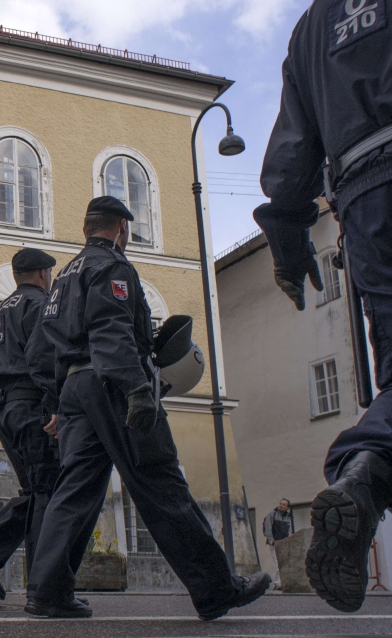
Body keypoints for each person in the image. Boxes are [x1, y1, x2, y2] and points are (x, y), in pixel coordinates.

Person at [25, 196, 270, 619]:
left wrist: (57, 402)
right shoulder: (112, 266)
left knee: (75, 488)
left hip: (75, 389)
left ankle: (47, 591)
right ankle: (216, 589)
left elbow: (41, 349)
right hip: (113, 383)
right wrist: (136, 387)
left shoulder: (64, 276)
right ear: (121, 227)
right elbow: (110, 328)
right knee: (160, 481)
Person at [253, 0, 392, 613]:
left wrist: (287, 244)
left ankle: (366, 468)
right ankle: (370, 465)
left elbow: (292, 151)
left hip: (365, 197)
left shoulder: (313, 25)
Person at [0, 247, 58, 600]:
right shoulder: (39, 305)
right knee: (47, 490)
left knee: (37, 490)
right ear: (41, 274)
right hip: (30, 405)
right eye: (49, 273)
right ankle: (40, 585)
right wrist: (54, 406)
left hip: (4, 410)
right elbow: (44, 358)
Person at [263, 499, 293, 590]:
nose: (281, 506)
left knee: (284, 562)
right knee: (276, 562)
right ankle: (277, 582)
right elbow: (267, 527)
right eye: (280, 504)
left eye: (284, 505)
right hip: (275, 542)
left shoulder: (288, 516)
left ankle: (282, 581)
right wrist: (271, 540)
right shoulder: (272, 514)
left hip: (284, 542)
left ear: (287, 507)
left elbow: (289, 528)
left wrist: (290, 535)